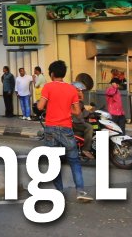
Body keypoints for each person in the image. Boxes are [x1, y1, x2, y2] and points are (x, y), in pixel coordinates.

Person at [36, 60, 91, 203]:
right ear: (63, 74)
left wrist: (43, 104)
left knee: (54, 162)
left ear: (52, 74)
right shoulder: (71, 89)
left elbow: (40, 107)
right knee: (74, 161)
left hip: (51, 129)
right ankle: (80, 191)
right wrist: (66, 109)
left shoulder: (48, 87)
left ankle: (59, 191)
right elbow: (77, 111)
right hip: (67, 128)